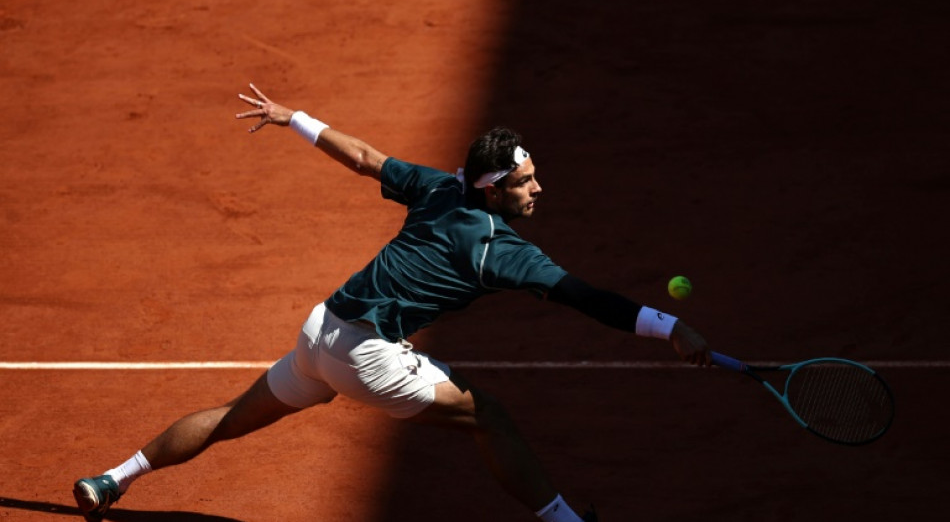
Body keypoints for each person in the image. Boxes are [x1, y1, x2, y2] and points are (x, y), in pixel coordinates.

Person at [73, 84, 711, 522]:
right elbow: (587, 298)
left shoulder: (439, 188)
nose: (538, 188)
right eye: (524, 182)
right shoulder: (501, 249)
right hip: (368, 355)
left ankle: (112, 479)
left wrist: (292, 116)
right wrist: (670, 326)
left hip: (322, 329)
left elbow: (366, 159)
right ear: (492, 192)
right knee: (489, 418)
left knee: (232, 418)